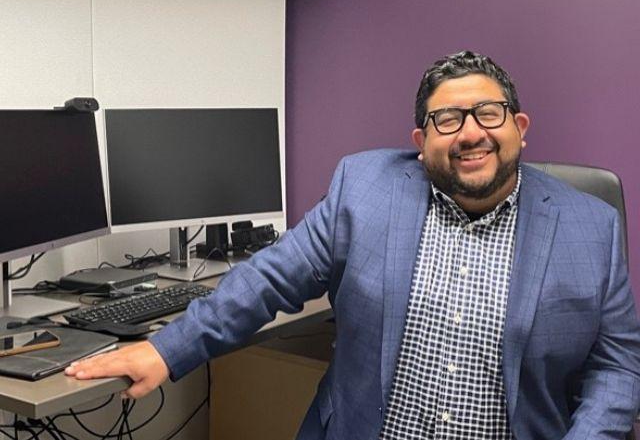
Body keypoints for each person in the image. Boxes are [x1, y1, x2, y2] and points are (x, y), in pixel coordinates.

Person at [66, 51, 640, 439]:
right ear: (421, 142)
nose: (470, 132)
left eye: (488, 113)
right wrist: (168, 350)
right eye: (447, 119)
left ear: (519, 127)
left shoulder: (591, 226)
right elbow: (268, 278)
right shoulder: (364, 189)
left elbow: (617, 367)